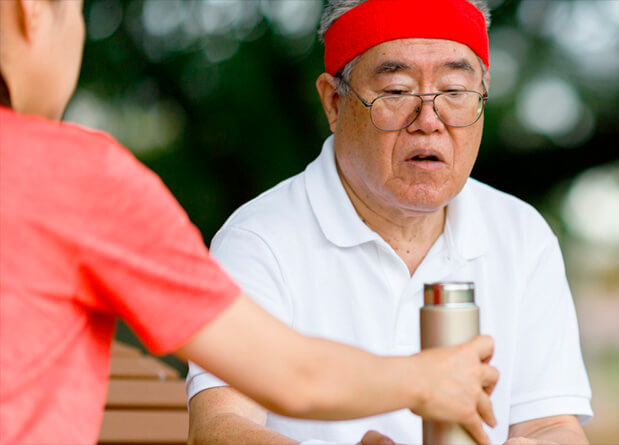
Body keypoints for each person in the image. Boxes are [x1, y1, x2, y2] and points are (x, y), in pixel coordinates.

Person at [0, 1, 501, 444]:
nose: (429, 119)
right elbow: (288, 376)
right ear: (33, 9)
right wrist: (429, 380)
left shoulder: (517, 232)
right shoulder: (73, 178)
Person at [184, 0, 593, 444]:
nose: (430, 122)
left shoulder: (521, 235)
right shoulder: (260, 240)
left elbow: (553, 426)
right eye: (397, 92)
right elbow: (221, 428)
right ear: (334, 102)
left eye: (455, 91)